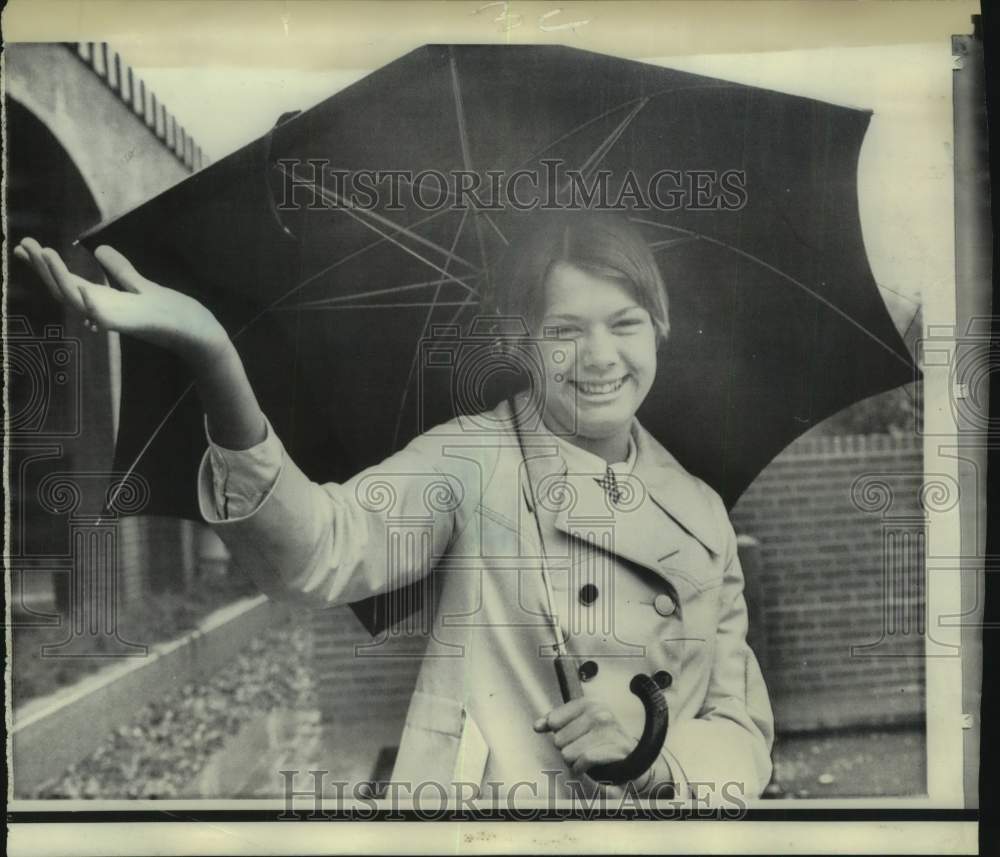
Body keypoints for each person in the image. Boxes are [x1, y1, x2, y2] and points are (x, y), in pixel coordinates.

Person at [15, 210, 773, 804]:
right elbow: (318, 551)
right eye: (564, 331)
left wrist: (650, 749)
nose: (602, 357)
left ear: (661, 325)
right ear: (519, 339)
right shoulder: (471, 458)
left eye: (625, 322)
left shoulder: (699, 510)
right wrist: (214, 354)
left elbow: (743, 735)